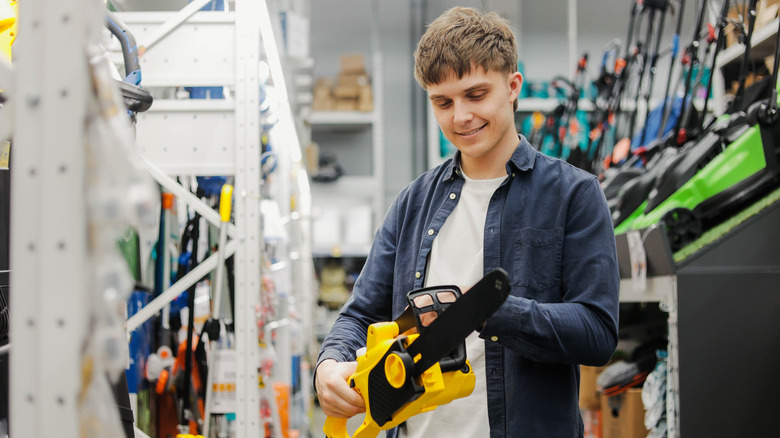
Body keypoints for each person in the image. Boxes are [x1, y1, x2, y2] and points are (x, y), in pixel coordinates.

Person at [315, 6, 619, 438]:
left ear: (512, 86)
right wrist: (328, 365)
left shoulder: (574, 194)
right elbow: (360, 313)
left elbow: (597, 331)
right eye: (443, 102)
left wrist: (485, 312)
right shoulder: (412, 203)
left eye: (476, 95)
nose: (460, 117)